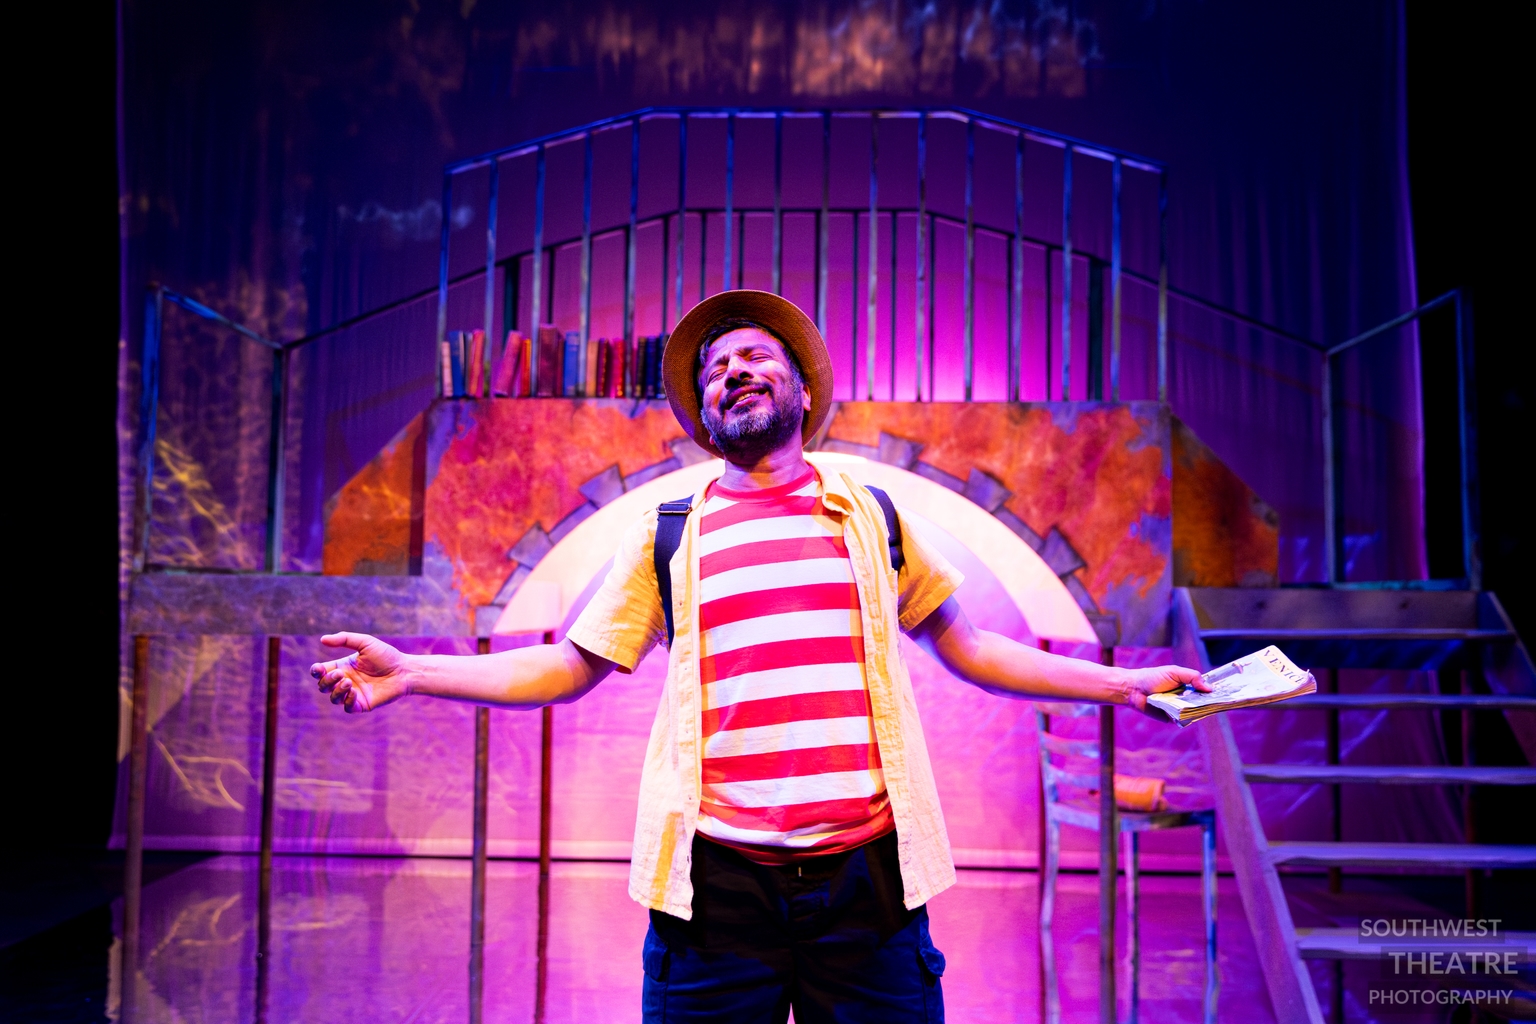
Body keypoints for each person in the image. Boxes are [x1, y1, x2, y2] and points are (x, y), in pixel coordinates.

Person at [311, 290, 1205, 1023]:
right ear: (704, 413)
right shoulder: (666, 535)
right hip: (715, 899)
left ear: (803, 393)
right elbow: (564, 668)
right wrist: (418, 672)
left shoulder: (877, 518)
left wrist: (1125, 684)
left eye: (752, 356)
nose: (733, 371)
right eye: (713, 369)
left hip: (870, 894)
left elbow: (973, 650)